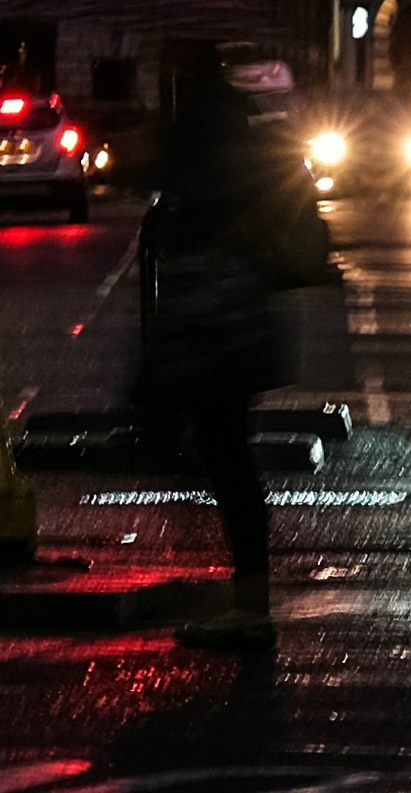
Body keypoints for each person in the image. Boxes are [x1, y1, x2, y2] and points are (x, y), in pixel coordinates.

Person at [128, 48, 336, 624]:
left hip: (213, 320)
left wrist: (154, 159)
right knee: (222, 449)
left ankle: (248, 600)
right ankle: (247, 591)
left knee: (218, 451)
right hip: (236, 319)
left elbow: (180, 199)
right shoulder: (237, 132)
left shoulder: (200, 138)